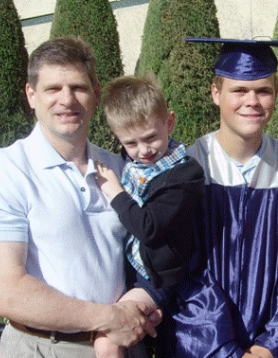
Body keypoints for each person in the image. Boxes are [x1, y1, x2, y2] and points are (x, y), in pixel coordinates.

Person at [0, 36, 159, 358]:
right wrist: (108, 319)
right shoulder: (1, 173)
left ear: (95, 94)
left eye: (78, 87)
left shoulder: (121, 168)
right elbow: (4, 293)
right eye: (53, 89)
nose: (67, 100)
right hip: (43, 348)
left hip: (122, 346)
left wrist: (145, 303)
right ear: (31, 95)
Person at [155, 38, 278, 358]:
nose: (252, 101)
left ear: (276, 95)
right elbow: (182, 270)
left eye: (263, 90)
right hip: (201, 346)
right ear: (216, 93)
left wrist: (270, 345)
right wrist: (223, 349)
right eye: (239, 90)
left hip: (277, 349)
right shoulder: (188, 168)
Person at [92, 74, 205, 358]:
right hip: (127, 273)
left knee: (107, 342)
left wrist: (116, 193)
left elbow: (149, 227)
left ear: (169, 122)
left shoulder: (185, 174)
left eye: (151, 137)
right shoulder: (130, 165)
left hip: (155, 281)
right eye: (131, 143)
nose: (143, 151)